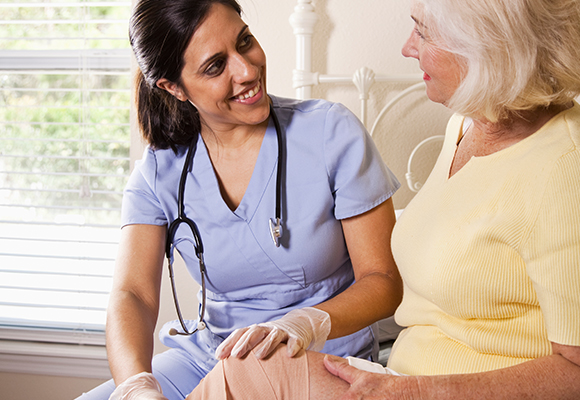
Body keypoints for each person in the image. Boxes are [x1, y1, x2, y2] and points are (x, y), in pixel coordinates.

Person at [183, 0, 580, 398]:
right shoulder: (468, 125)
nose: (407, 47)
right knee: (249, 369)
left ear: (487, 46)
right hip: (399, 378)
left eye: (423, 32)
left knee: (243, 379)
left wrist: (412, 392)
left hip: (430, 390)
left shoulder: (569, 168)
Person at [76, 0, 403, 399]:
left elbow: (383, 281)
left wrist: (304, 323)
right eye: (215, 66)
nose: (247, 71)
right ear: (173, 87)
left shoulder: (329, 133)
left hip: (318, 356)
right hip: (208, 358)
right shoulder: (160, 171)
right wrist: (135, 385)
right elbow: (133, 295)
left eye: (245, 41)